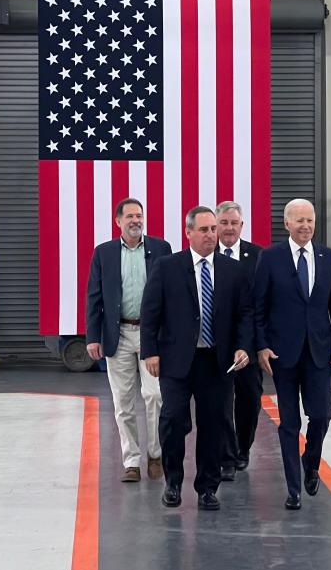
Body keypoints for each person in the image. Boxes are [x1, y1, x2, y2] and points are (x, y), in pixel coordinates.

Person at [140, 206, 253, 510]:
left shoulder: (233, 271)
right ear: (188, 232)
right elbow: (150, 313)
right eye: (203, 230)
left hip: (217, 362)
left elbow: (244, 314)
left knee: (213, 424)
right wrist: (149, 351)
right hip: (176, 361)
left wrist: (244, 347)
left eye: (214, 229)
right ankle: (173, 482)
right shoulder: (167, 267)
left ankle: (207, 487)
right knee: (173, 421)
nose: (211, 235)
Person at [253, 198, 331, 510]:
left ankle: (311, 462)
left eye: (310, 220)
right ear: (287, 224)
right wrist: (261, 345)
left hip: (319, 352)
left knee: (321, 415)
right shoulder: (270, 258)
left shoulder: (329, 257)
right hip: (282, 353)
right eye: (299, 221)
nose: (306, 226)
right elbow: (260, 307)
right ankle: (293, 488)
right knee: (289, 422)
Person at [85, 198, 172, 483]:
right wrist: (92, 337)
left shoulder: (161, 249)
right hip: (117, 335)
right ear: (118, 221)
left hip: (152, 336)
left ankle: (155, 455)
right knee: (123, 402)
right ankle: (131, 461)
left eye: (140, 216)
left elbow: (171, 296)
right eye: (130, 216)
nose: (136, 220)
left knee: (155, 395)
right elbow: (94, 297)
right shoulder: (104, 253)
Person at [214, 200, 263, 479]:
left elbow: (264, 302)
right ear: (216, 225)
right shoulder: (206, 255)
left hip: (250, 344)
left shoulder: (258, 256)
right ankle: (227, 456)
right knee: (219, 401)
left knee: (249, 399)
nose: (229, 228)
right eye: (224, 223)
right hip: (215, 344)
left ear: (241, 226)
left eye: (234, 223)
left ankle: (243, 449)